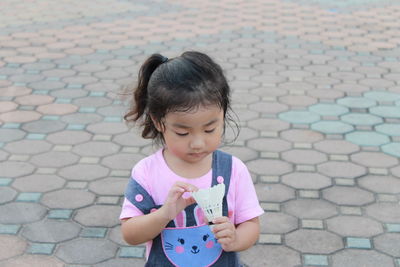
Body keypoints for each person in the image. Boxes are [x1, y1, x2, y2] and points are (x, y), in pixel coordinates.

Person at [120, 51, 264, 267]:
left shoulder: (233, 170)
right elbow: (130, 234)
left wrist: (236, 238)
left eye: (210, 129)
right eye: (183, 133)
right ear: (159, 122)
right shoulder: (147, 172)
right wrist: (164, 215)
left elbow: (251, 224)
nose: (198, 143)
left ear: (223, 115)